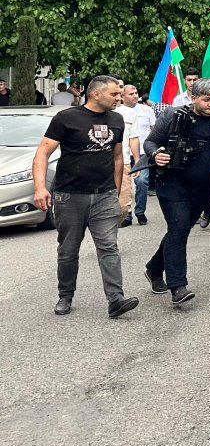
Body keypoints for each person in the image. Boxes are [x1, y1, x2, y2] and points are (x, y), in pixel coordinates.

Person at [33, 75, 137, 318]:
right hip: (70, 196)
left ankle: (116, 299)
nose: (119, 98)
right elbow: (42, 153)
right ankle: (65, 295)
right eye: (114, 94)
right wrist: (40, 188)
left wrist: (115, 191)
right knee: (68, 250)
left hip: (104, 195)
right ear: (95, 94)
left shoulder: (116, 119)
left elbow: (117, 157)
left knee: (109, 247)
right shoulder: (66, 118)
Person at [142, 78, 210, 306]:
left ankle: (154, 268)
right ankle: (178, 286)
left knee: (180, 230)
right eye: (206, 100)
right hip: (171, 183)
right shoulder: (172, 114)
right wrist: (156, 154)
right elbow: (150, 142)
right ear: (193, 98)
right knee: (179, 228)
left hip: (204, 187)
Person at [116, 84, 155, 227]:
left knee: (142, 181)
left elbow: (153, 130)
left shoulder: (147, 110)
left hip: (142, 153)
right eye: (131, 94)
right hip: (123, 154)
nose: (135, 96)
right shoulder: (116, 112)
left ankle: (140, 211)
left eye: (136, 93)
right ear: (122, 96)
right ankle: (127, 214)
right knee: (123, 186)